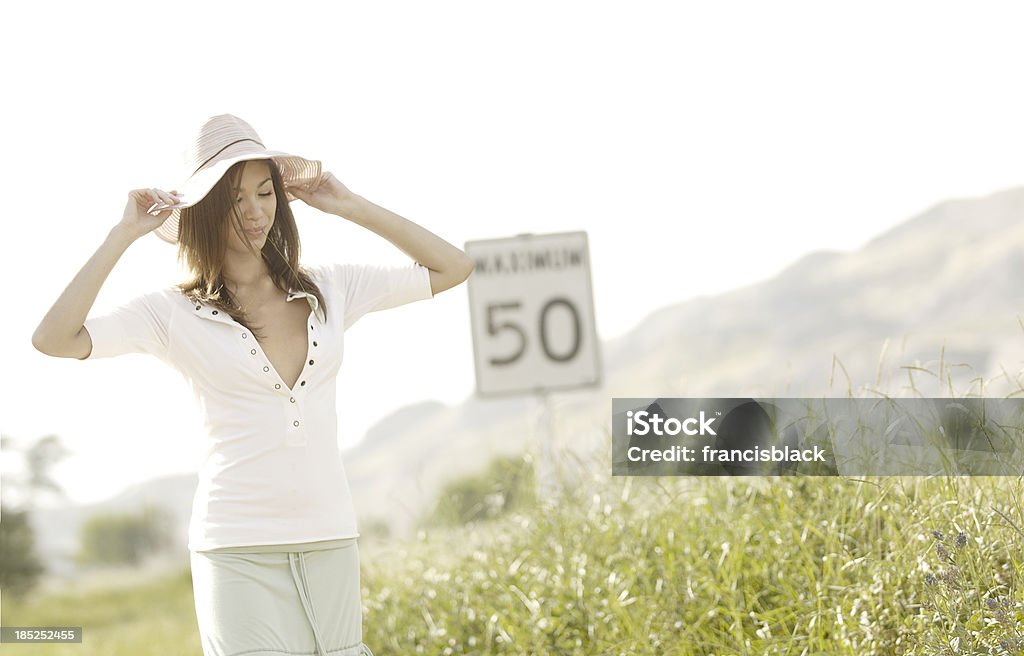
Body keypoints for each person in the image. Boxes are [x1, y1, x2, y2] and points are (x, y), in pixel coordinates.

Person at [31, 114, 474, 656]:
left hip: (329, 534)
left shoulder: (333, 287)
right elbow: (54, 338)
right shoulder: (172, 314)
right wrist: (121, 235)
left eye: (265, 192)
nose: (255, 210)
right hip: (236, 543)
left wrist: (351, 205)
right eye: (235, 198)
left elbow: (453, 267)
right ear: (206, 209)